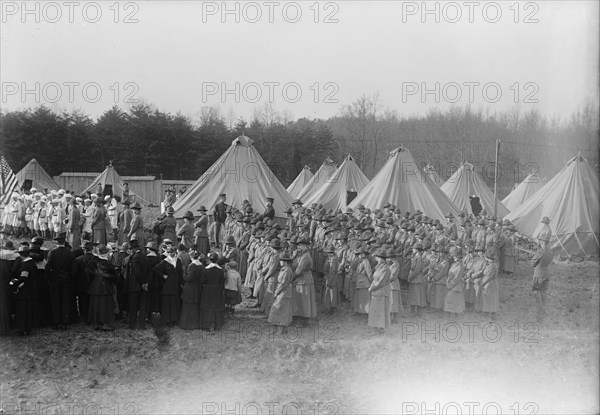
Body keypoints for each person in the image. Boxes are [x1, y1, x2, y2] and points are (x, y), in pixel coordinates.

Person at [45, 232, 75, 329]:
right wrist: (70, 277)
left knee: (56, 300)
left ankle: (56, 321)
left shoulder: (52, 252)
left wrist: (49, 277)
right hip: (66, 279)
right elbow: (73, 269)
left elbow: (48, 267)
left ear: (57, 242)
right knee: (65, 300)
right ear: (64, 241)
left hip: (55, 279)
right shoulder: (70, 253)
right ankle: (65, 321)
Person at [86, 244, 117, 331]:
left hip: (95, 286)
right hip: (105, 286)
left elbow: (88, 274)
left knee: (96, 305)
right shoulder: (108, 264)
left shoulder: (92, 262)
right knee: (105, 305)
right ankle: (105, 323)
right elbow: (114, 277)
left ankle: (97, 323)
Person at [153, 242, 183, 326]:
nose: (172, 254)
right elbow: (155, 269)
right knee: (167, 303)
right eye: (170, 252)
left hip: (176, 284)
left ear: (175, 252)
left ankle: (174, 319)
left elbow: (180, 272)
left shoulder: (179, 261)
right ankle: (167, 320)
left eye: (173, 252)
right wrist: (163, 275)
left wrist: (181, 283)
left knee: (174, 303)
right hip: (168, 284)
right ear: (168, 253)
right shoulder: (165, 261)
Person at [12, 245, 40, 335]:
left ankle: (22, 328)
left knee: (22, 311)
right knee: (28, 310)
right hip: (31, 290)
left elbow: (23, 278)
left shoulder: (25, 265)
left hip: (24, 291)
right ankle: (27, 328)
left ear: (21, 255)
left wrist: (14, 284)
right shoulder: (32, 263)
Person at [291, 237, 317, 326]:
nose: (298, 247)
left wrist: (290, 279)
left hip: (304, 279)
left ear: (305, 246)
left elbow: (299, 271)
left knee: (304, 300)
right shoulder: (300, 254)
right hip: (300, 279)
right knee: (300, 299)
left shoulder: (306, 256)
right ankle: (300, 318)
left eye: (300, 245)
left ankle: (305, 320)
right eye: (297, 245)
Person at [124, 239, 149, 329]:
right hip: (144, 286)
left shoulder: (135, 258)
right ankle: (142, 325)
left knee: (133, 306)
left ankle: (132, 325)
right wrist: (145, 283)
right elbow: (147, 271)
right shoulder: (144, 256)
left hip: (135, 285)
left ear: (133, 249)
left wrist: (142, 283)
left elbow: (137, 273)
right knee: (142, 306)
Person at [268, 252, 294, 333]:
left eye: (281, 260)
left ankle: (282, 329)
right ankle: (276, 328)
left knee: (282, 311)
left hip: (284, 292)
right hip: (282, 291)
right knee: (277, 310)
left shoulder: (287, 270)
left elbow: (284, 284)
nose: (280, 262)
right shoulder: (284, 269)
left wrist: (277, 292)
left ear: (285, 261)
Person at [199, 252, 226, 333]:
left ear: (209, 260)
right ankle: (217, 324)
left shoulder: (206, 269)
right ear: (217, 260)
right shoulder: (221, 270)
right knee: (216, 306)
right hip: (217, 289)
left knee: (208, 306)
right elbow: (222, 281)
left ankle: (208, 325)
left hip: (208, 289)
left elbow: (202, 281)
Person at [70, 240, 96, 324]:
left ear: (83, 249)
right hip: (94, 283)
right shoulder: (96, 259)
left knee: (83, 300)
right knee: (93, 300)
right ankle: (93, 316)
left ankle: (85, 318)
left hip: (82, 284)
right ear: (92, 249)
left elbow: (74, 273)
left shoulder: (78, 260)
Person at [368, 248, 391, 336]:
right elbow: (375, 279)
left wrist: (371, 288)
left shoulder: (385, 269)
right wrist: (372, 286)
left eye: (377, 257)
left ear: (382, 258)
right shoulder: (379, 267)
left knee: (381, 312)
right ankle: (375, 329)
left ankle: (380, 331)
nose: (376, 259)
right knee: (375, 311)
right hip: (376, 292)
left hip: (382, 292)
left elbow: (380, 282)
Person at [179, 249, 203, 330]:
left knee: (188, 306)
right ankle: (196, 323)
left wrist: (183, 272)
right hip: (198, 287)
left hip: (190, 288)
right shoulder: (201, 266)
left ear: (191, 257)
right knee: (196, 306)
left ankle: (188, 324)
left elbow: (188, 278)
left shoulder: (192, 266)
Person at [531, 238, 554, 321]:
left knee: (536, 291)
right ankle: (544, 307)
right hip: (546, 273)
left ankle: (540, 309)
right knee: (543, 292)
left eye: (540, 241)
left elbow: (533, 262)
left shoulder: (540, 252)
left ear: (542, 242)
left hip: (538, 273)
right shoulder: (550, 252)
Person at [444, 246, 466, 316]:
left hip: (456, 288)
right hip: (452, 287)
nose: (452, 257)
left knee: (454, 307)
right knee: (451, 306)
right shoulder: (454, 264)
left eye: (453, 255)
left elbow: (457, 278)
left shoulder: (460, 265)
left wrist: (449, 285)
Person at [321, 245, 339, 314]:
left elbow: (332, 271)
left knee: (332, 294)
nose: (328, 254)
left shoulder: (333, 260)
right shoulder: (330, 259)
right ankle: (329, 308)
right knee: (329, 294)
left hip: (332, 279)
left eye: (329, 252)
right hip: (329, 278)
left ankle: (332, 309)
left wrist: (329, 281)